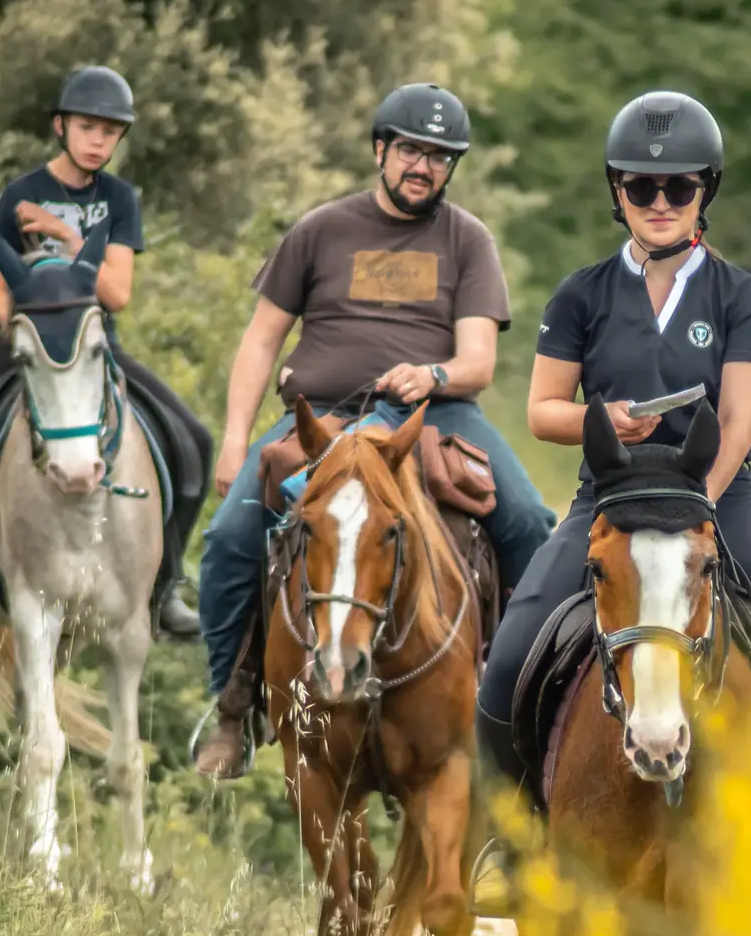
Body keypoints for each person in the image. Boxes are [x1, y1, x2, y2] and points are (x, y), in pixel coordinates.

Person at [468, 92, 751, 926]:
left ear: (705, 191)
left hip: (718, 499)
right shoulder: (581, 293)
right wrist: (606, 423)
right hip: (608, 498)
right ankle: (512, 844)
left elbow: (740, 417)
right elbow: (542, 411)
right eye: (642, 188)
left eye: (678, 188)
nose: (660, 203)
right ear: (617, 192)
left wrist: (694, 511)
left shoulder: (740, 295)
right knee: (510, 660)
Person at [191, 82, 558, 778]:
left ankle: (512, 711)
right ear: (381, 150)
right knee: (228, 539)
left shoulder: (467, 239)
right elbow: (260, 340)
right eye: (412, 151)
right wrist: (237, 439)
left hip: (433, 417)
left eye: (441, 157)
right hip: (321, 419)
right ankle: (233, 707)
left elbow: (477, 359)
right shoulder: (320, 230)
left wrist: (435, 376)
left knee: (530, 525)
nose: (424, 167)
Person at [0, 65, 212, 642]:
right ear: (60, 126)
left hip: (96, 351)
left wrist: (66, 236)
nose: (99, 140)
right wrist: (32, 331)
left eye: (111, 131)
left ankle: (167, 583)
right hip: (22, 348)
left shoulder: (120, 199)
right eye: (88, 127)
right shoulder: (19, 194)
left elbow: (117, 293)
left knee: (192, 438)